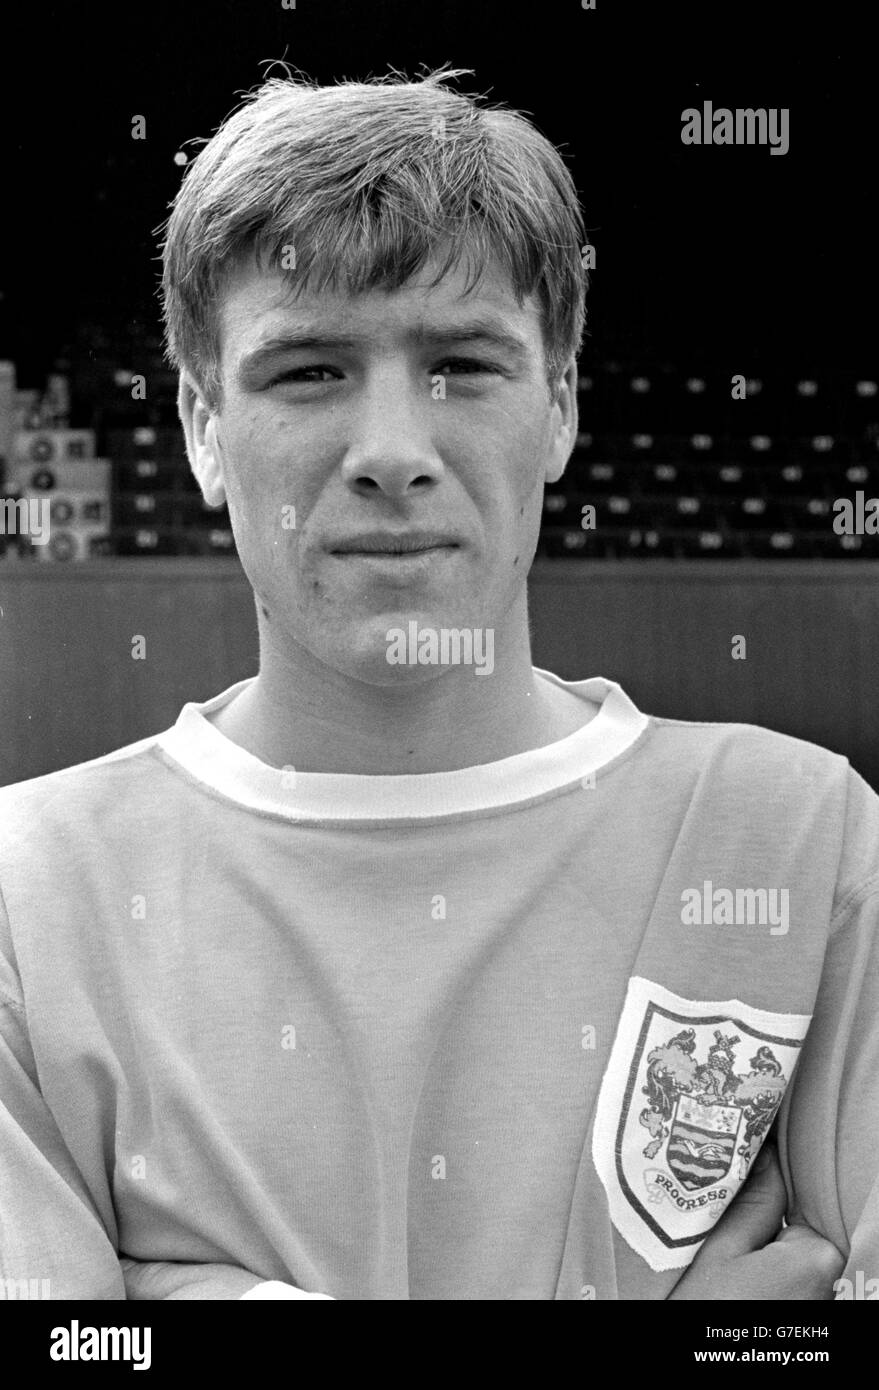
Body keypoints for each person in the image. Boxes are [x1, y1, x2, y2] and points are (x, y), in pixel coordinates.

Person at [0, 68, 875, 1301]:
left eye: (463, 363)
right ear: (201, 423)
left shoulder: (804, 840)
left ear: (561, 405)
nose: (394, 455)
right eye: (307, 371)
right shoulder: (25, 895)